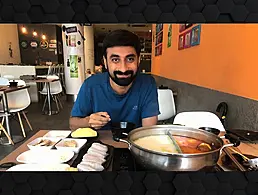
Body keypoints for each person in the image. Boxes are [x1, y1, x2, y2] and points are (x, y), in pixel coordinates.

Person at [69, 29, 160, 130]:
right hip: (98, 144)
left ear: (138, 60)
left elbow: (149, 131)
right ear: (105, 61)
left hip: (135, 142)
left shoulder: (147, 84)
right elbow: (73, 124)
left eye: (130, 59)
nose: (123, 69)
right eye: (115, 60)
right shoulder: (91, 85)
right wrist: (88, 121)